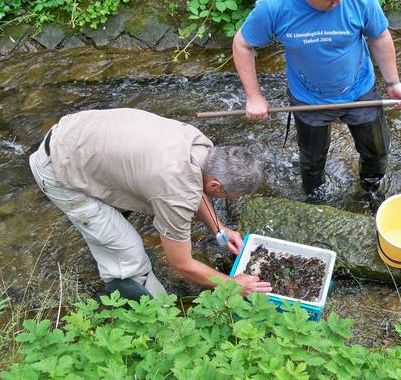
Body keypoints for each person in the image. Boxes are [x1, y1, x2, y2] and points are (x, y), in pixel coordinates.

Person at [233, 0, 401, 202]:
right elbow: (242, 43)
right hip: (309, 98)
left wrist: (393, 81)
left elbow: (379, 36)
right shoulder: (275, 6)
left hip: (359, 89)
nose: (338, 1)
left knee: (377, 150)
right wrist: (253, 96)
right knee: (312, 161)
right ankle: (316, 199)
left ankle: (370, 190)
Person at [29, 108, 271, 300]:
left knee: (117, 234)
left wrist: (219, 228)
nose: (227, 200)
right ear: (216, 185)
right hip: (59, 169)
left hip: (78, 134)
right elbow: (181, 264)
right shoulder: (175, 192)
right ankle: (150, 309)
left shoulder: (201, 147)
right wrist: (231, 284)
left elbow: (195, 185)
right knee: (129, 253)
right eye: (230, 196)